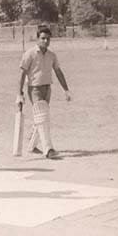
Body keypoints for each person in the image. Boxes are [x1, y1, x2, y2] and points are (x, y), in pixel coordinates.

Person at [16, 25, 71, 159]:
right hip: (34, 88)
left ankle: (31, 145)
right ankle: (48, 149)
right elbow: (22, 74)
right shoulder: (29, 54)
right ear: (37, 39)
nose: (45, 41)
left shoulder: (52, 55)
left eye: (48, 39)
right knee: (42, 116)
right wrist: (20, 93)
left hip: (47, 88)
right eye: (43, 38)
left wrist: (66, 90)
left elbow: (58, 72)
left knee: (41, 118)